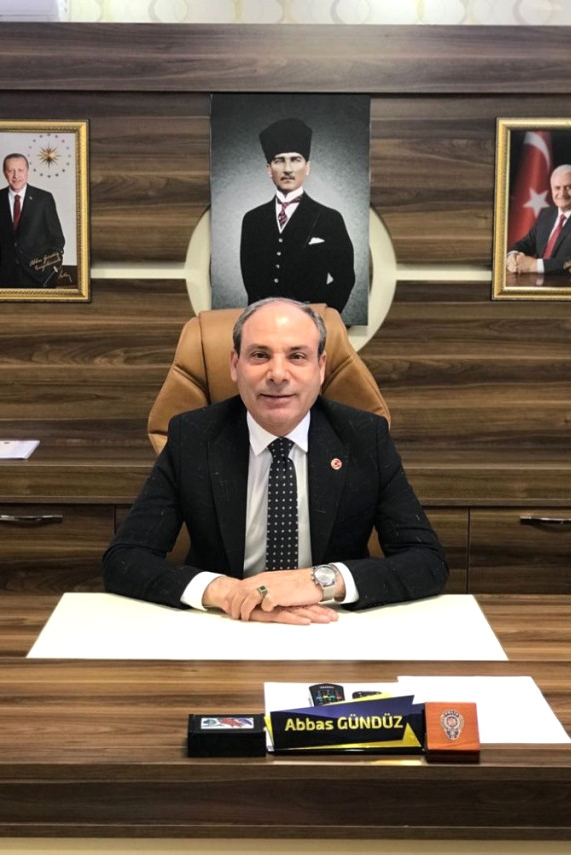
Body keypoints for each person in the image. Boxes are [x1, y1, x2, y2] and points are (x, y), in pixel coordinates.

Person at [103, 298, 448, 625]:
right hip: (224, 624)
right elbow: (125, 558)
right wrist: (228, 593)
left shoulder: (363, 437)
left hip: (328, 624)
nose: (278, 374)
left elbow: (426, 561)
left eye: (297, 356)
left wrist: (319, 581)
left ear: (320, 368)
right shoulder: (193, 437)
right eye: (260, 355)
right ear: (235, 365)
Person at [239, 118, 355, 313]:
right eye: (279, 160)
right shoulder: (252, 220)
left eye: (295, 159)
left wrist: (319, 315)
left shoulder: (329, 219)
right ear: (269, 169)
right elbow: (251, 281)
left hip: (310, 322)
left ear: (307, 167)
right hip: (263, 321)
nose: (288, 169)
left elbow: (345, 278)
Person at [0, 153, 65, 289]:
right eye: (10, 170)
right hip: (8, 276)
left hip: (40, 278)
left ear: (27, 171)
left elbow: (57, 240)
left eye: (20, 170)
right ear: (4, 173)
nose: (16, 175)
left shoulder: (44, 199)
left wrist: (48, 271)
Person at [506, 164, 571, 276]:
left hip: (567, 284)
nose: (562, 194)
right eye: (557, 188)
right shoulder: (547, 214)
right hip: (535, 282)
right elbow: (525, 243)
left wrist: (535, 265)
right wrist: (513, 256)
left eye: (569, 187)